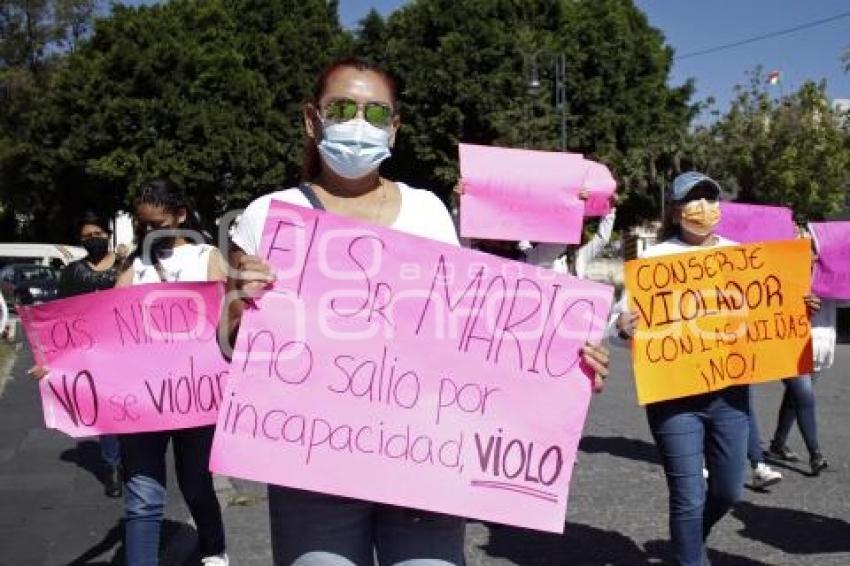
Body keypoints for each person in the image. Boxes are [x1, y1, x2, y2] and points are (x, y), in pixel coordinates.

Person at [223, 57, 611, 566]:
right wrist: (237, 305)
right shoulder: (267, 215)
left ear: (395, 128)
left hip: (424, 464)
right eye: (342, 108)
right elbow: (228, 347)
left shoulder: (427, 210)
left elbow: (470, 328)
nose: (359, 124)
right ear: (312, 120)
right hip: (312, 466)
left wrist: (564, 361)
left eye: (376, 113)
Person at [612, 171, 819, 566]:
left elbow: (767, 316)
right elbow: (618, 326)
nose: (703, 207)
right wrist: (622, 329)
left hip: (729, 396)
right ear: (674, 211)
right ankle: (691, 556)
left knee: (727, 491)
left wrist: (798, 308)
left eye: (710, 198)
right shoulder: (652, 263)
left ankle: (689, 541)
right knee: (688, 494)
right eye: (693, 199)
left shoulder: (742, 256)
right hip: (673, 399)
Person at [115, 179, 229, 566]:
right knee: (143, 497)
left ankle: (214, 549)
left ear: (181, 216)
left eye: (158, 223)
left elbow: (227, 322)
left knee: (196, 486)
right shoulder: (135, 264)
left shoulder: (207, 257)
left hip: (195, 396)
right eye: (143, 224)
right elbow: (105, 327)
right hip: (143, 400)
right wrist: (63, 366)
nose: (150, 232)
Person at [61, 211, 127, 498]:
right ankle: (113, 466)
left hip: (128, 350)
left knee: (134, 407)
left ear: (107, 234)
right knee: (108, 412)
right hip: (93, 353)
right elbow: (61, 315)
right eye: (87, 237)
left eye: (97, 234)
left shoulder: (128, 266)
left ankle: (136, 463)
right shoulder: (72, 272)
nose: (93, 240)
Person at [768, 231, 832, 476]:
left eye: (815, 249)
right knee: (803, 394)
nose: (812, 254)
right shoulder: (783, 277)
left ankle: (777, 444)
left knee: (796, 397)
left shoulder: (829, 279)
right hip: (789, 346)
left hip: (818, 347)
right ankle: (816, 454)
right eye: (805, 248)